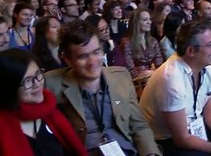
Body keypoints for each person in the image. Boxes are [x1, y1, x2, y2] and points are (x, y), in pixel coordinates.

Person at [45, 20, 161, 156]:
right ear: (67, 59)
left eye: (96, 52)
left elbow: (138, 125)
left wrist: (150, 153)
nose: (92, 62)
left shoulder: (121, 77)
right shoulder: (52, 84)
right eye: (82, 56)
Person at [140, 20, 211, 156]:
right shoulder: (171, 78)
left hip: (195, 128)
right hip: (165, 140)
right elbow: (181, 139)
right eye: (210, 45)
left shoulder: (207, 67)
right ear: (191, 50)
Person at [0, 49, 87, 156]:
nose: (37, 83)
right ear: (9, 87)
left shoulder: (51, 111)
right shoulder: (3, 124)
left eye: (38, 74)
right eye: (27, 80)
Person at [120, 8, 164, 78]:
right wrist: (145, 74)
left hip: (154, 77)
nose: (149, 22)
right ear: (136, 23)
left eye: (149, 19)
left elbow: (159, 64)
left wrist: (155, 73)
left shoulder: (153, 41)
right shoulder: (127, 43)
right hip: (137, 81)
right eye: (145, 20)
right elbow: (129, 70)